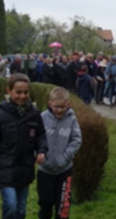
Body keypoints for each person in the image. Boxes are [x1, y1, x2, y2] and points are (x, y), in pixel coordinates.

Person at [0, 73, 48, 219]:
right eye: (18, 92)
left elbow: (41, 135)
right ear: (9, 91)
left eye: (26, 92)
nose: (22, 96)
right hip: (5, 169)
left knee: (21, 209)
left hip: (25, 168)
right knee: (11, 205)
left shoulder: (34, 114)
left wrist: (41, 150)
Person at [37, 87, 82, 219]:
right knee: (45, 202)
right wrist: (40, 153)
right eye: (56, 106)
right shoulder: (42, 118)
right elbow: (36, 138)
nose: (59, 110)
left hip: (64, 171)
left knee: (63, 206)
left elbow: (76, 140)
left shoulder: (72, 120)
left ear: (68, 104)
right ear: (50, 104)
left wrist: (65, 157)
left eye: (63, 107)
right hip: (45, 170)